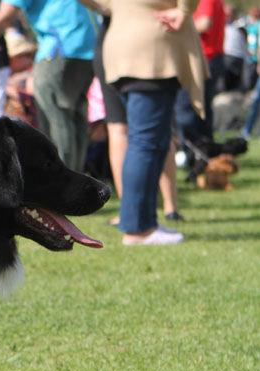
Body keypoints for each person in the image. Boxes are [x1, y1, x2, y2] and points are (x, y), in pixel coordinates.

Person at [88, 0, 205, 246]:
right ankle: (137, 229)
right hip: (150, 51)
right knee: (146, 143)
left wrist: (118, 8)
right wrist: (184, 10)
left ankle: (145, 223)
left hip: (121, 47)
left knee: (154, 141)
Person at [0, 0, 96, 171]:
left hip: (58, 49)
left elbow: (5, 16)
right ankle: (77, 183)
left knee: (55, 121)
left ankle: (63, 185)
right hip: (87, 48)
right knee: (75, 118)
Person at [92, 15, 183, 223]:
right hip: (149, 42)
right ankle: (169, 206)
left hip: (112, 43)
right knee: (158, 126)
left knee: (119, 130)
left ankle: (129, 211)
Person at [173, 0, 223, 145]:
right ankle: (207, 154)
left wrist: (176, 24)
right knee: (203, 112)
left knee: (187, 109)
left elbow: (205, 22)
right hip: (211, 58)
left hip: (202, 58)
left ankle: (193, 154)